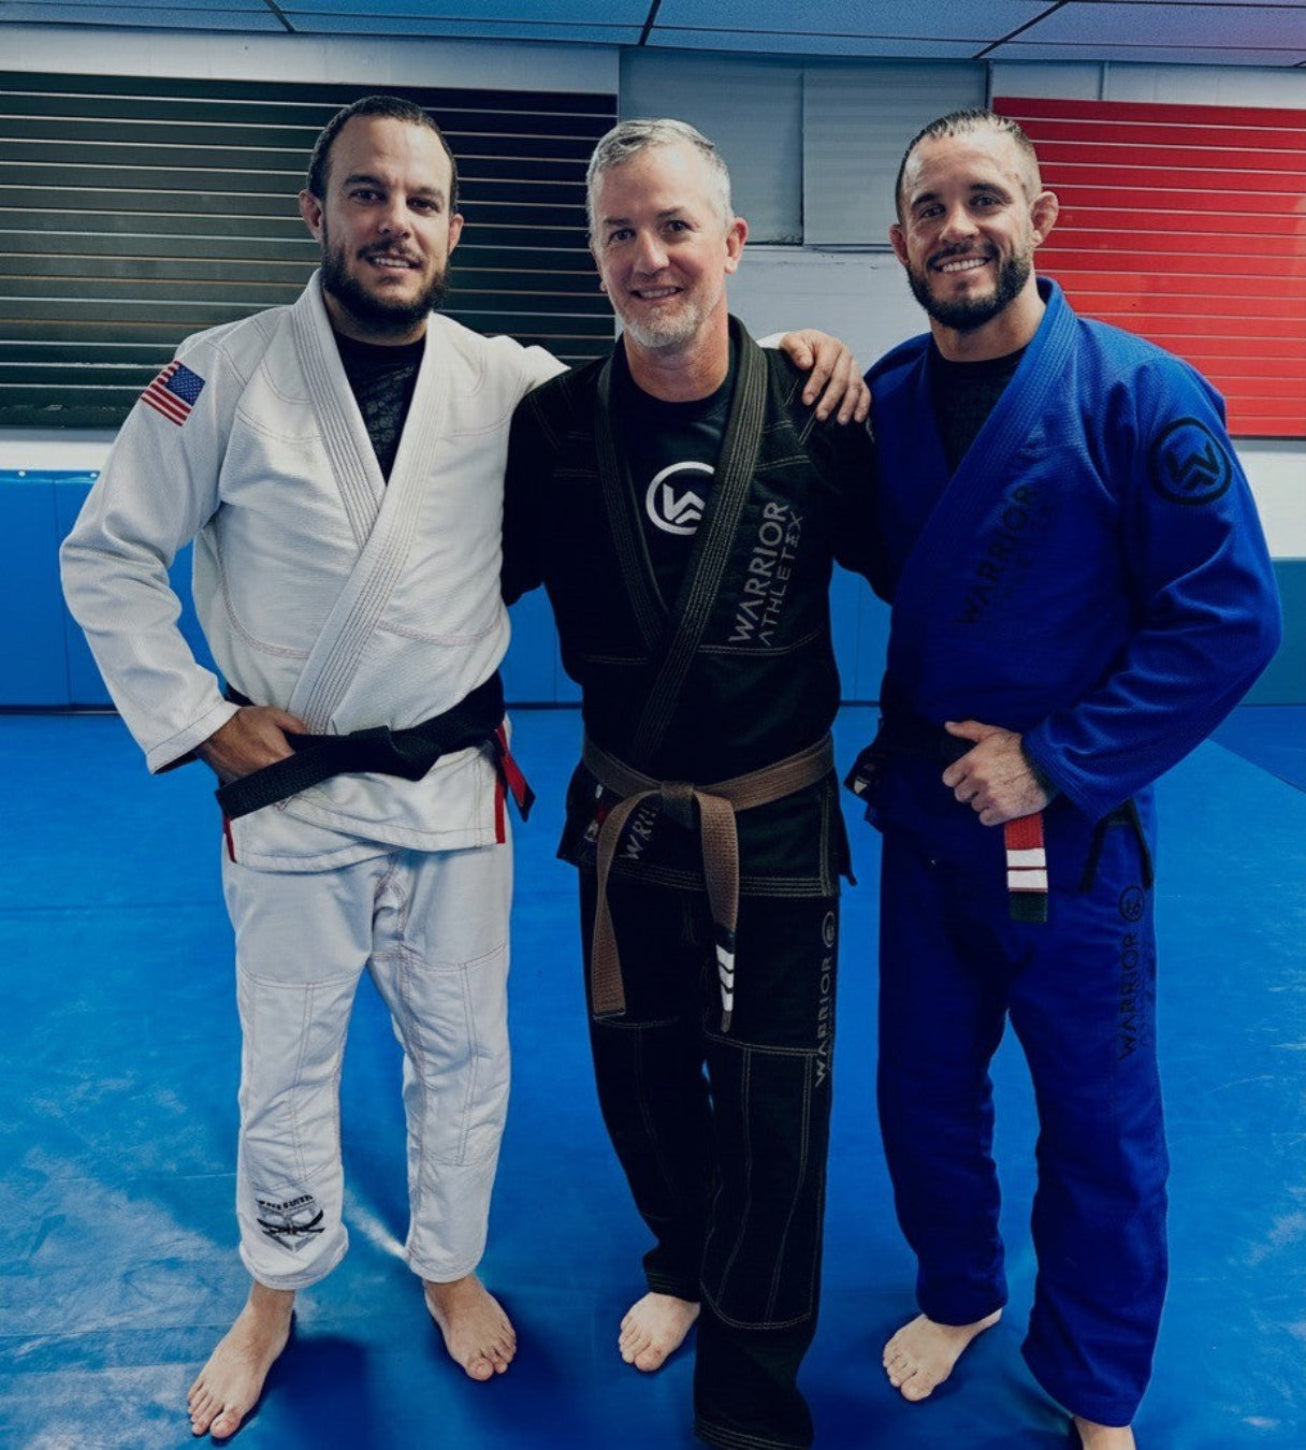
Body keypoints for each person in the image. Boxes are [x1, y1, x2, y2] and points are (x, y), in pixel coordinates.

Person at [59, 96, 862, 1442]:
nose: (395, 221)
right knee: (289, 1052)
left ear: (454, 229)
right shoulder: (221, 371)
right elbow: (104, 554)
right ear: (316, 213)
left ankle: (445, 1260)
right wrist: (198, 714)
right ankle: (273, 1289)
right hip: (291, 788)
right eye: (367, 194)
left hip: (449, 790)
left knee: (463, 1050)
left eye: (421, 201)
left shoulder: (509, 384)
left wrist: (789, 353)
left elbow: (673, 370)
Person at [851, 108, 1282, 1449]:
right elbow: (877, 555)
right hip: (927, 824)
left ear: (1040, 217)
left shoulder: (1139, 397)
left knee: (1095, 1125)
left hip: (1067, 840)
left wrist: (1050, 755)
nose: (957, 227)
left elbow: (1227, 619)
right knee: (920, 1093)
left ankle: (1095, 1389)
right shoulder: (886, 400)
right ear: (899, 238)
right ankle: (961, 1289)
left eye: (985, 198)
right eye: (930, 206)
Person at [502, 119, 878, 1450]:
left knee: (776, 1102)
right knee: (643, 1078)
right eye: (619, 231)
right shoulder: (548, 429)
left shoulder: (818, 410)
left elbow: (927, 581)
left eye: (673, 227)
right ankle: (682, 1257)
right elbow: (444, 602)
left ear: (730, 241)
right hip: (623, 815)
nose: (647, 256)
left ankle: (751, 1400)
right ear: (594, 253)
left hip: (773, 818)